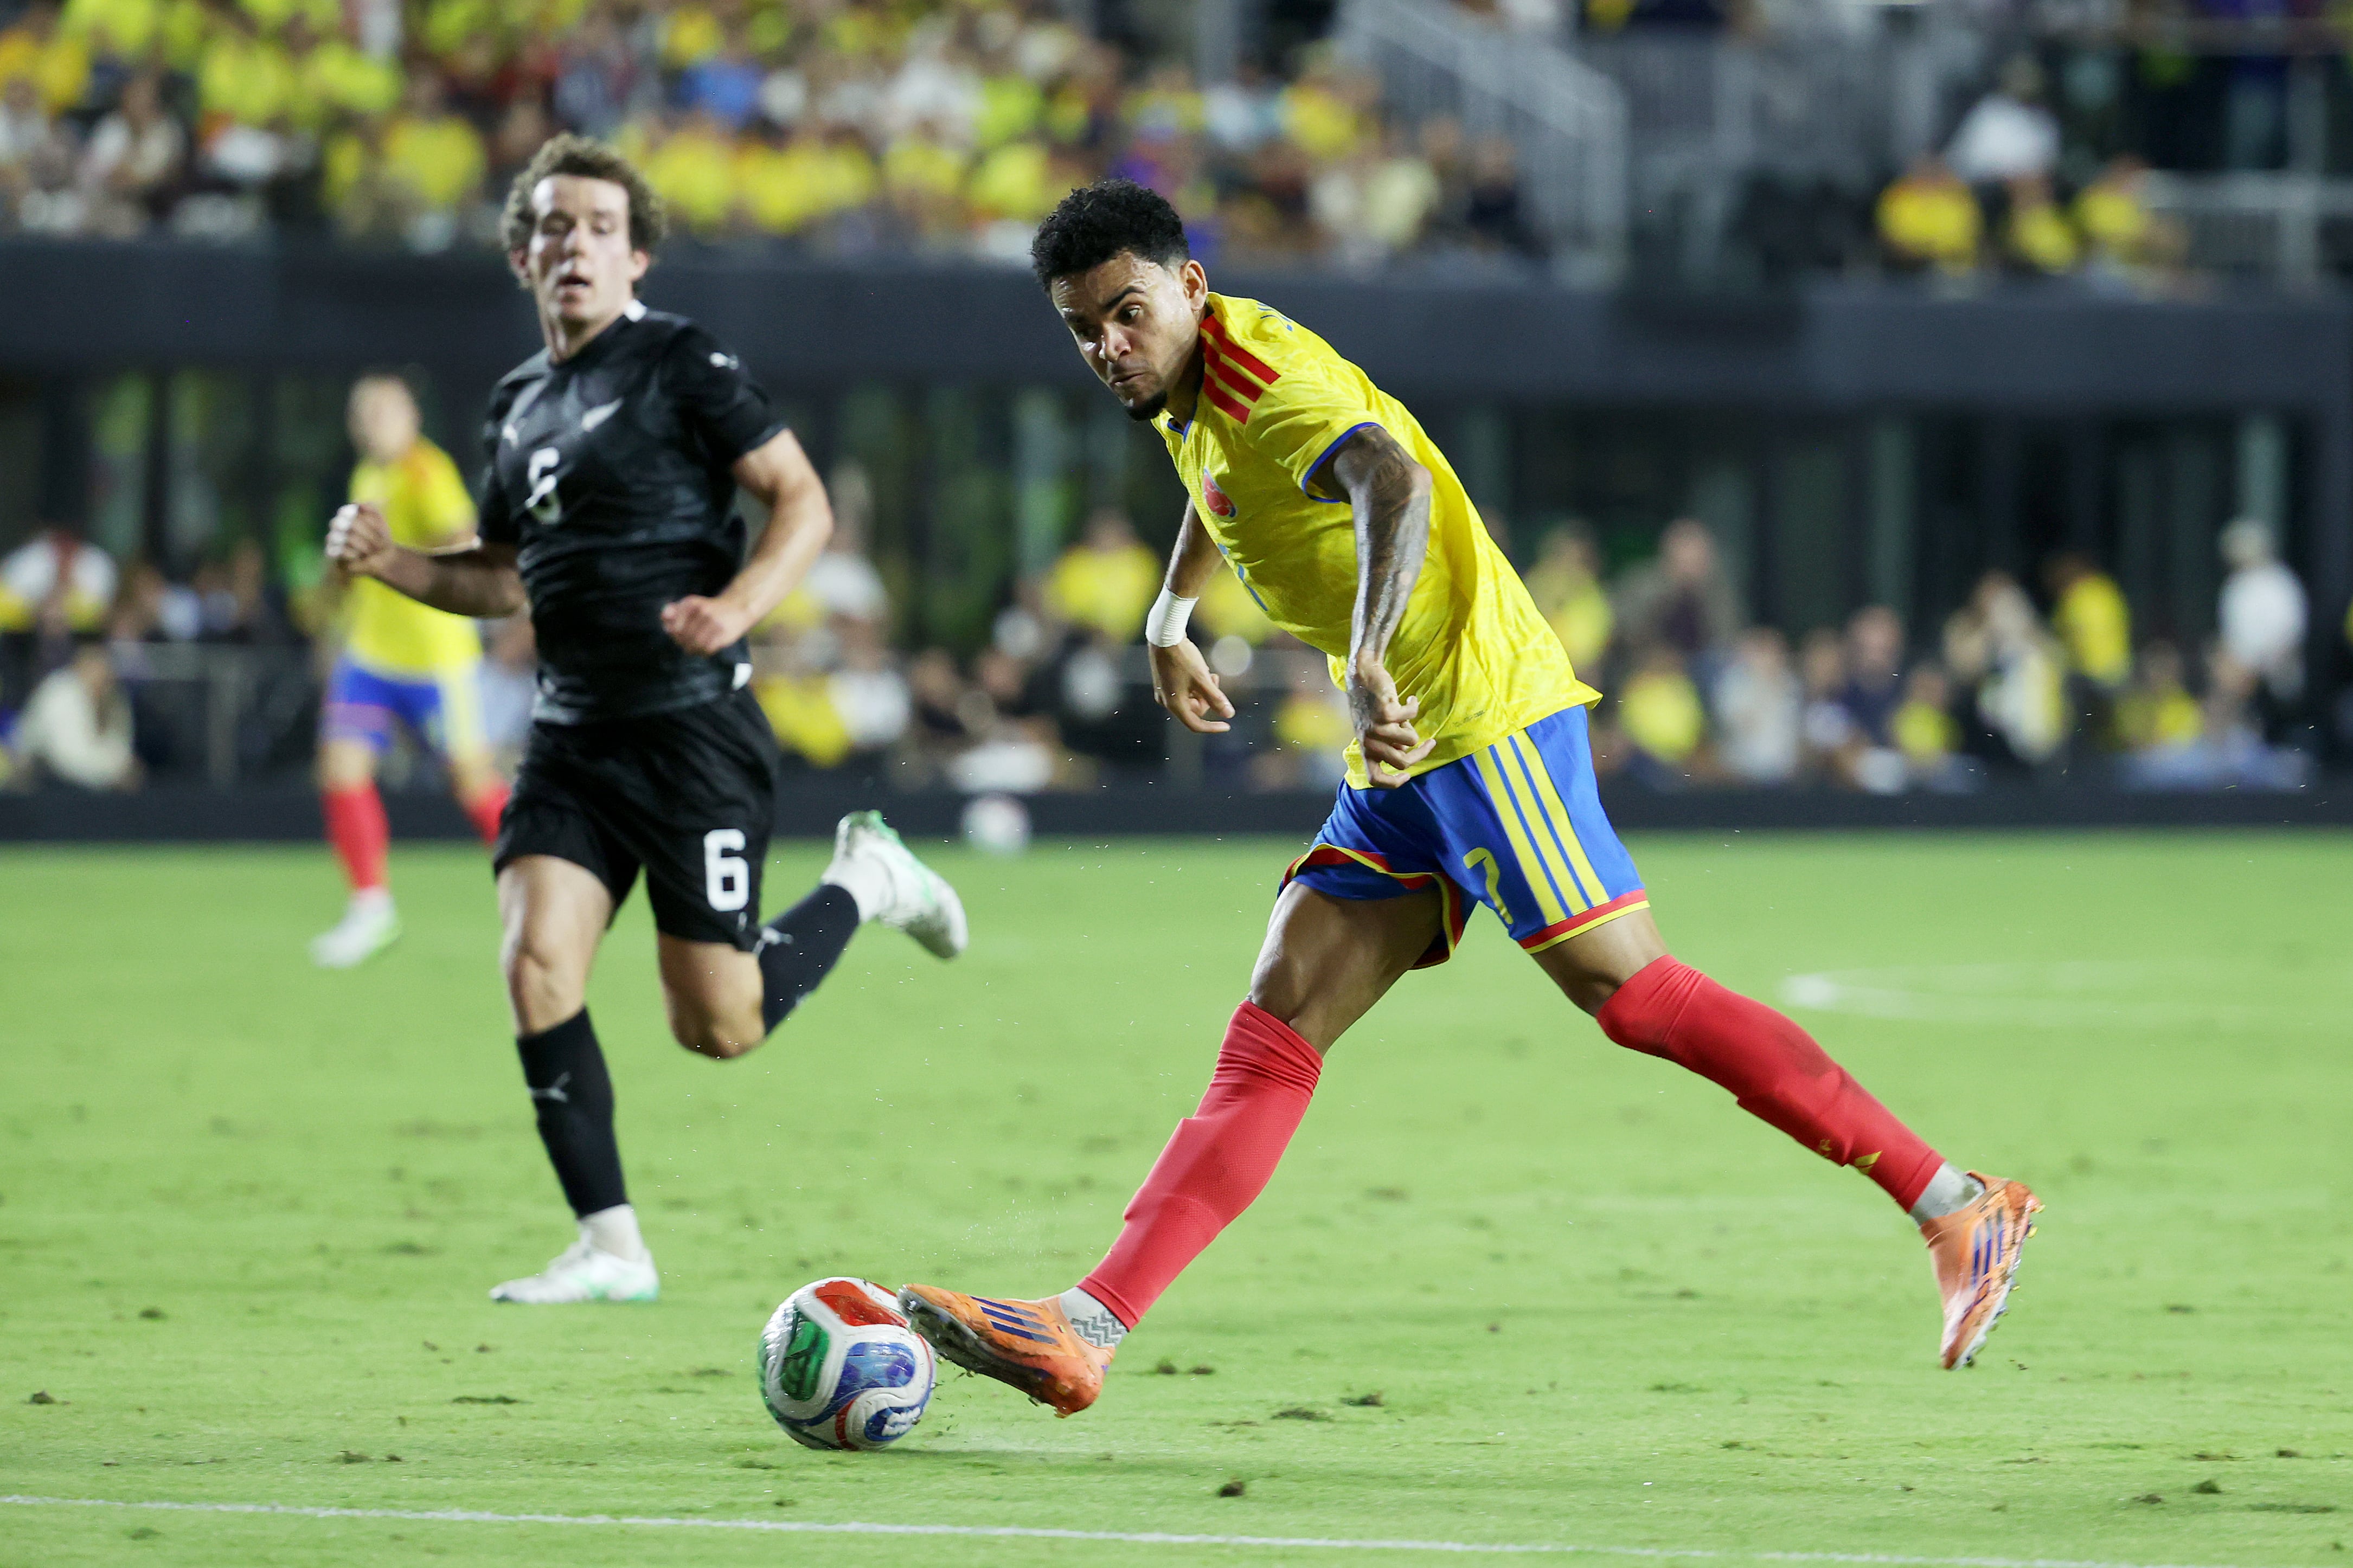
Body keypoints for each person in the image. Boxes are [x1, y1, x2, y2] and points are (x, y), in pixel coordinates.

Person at [897, 178, 2039, 1416]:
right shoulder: (1188, 387)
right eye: (1081, 329)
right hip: (1405, 748)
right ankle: (1086, 1325)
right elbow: (1221, 486)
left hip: (1474, 711)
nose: (1106, 347)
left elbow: (1392, 481)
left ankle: (1952, 1202)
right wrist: (1170, 615)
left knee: (1630, 992)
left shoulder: (1262, 379)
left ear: (1187, 286)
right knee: (1277, 1017)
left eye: (1124, 313)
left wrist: (1374, 652)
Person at [325, 134, 967, 1306]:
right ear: (523, 254)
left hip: (689, 732)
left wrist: (735, 605)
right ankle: (612, 1243)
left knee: (719, 1026)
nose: (576, 246)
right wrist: (394, 564)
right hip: (572, 736)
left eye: (601, 229)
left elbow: (804, 501)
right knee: (534, 960)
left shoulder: (681, 362)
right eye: (555, 227)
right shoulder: (515, 405)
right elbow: (505, 578)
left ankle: (867, 881)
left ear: (639, 257)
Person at [309, 373, 513, 968]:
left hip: (435, 657)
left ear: (410, 418)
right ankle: (371, 909)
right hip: (372, 653)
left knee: (472, 782)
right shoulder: (368, 477)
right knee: (340, 766)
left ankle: (545, 886)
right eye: (363, 412)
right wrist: (335, 612)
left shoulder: (426, 471)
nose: (372, 422)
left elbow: (464, 543)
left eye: (384, 411)